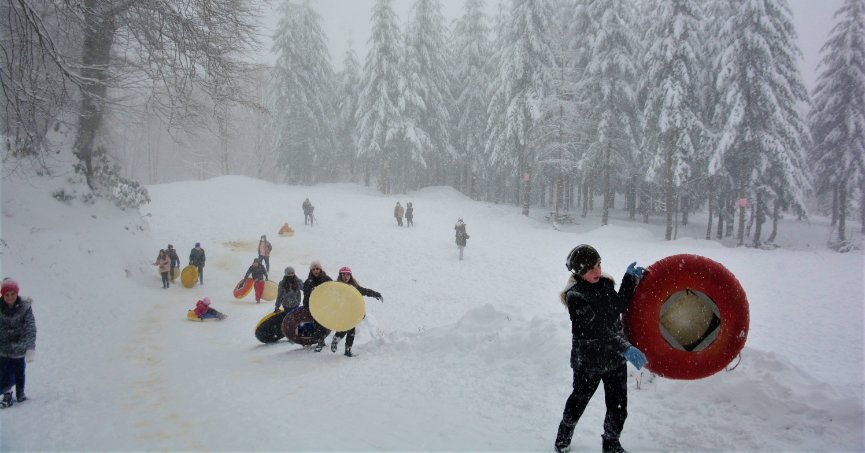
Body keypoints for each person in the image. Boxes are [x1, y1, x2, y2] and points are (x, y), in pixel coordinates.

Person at [554, 245, 648, 453]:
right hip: (588, 361)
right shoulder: (575, 297)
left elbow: (617, 307)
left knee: (618, 406)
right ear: (579, 272)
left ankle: (611, 443)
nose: (597, 271)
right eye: (591, 269)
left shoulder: (605, 283)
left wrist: (629, 279)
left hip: (614, 358)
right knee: (579, 401)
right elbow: (596, 330)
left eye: (598, 265)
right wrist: (625, 348)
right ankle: (563, 436)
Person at [330, 267, 382, 357]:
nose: (346, 276)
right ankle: (338, 342)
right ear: (340, 275)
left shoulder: (354, 287)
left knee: (351, 331)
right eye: (344, 274)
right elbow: (328, 296)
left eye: (348, 274)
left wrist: (376, 294)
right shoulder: (336, 287)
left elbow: (365, 291)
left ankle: (345, 348)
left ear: (350, 276)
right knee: (345, 329)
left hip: (351, 313)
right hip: (341, 313)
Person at [0, 279, 36, 408]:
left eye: (12, 294)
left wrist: (30, 348)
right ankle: (7, 394)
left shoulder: (24, 308)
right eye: (6, 295)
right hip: (3, 348)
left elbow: (30, 327)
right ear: (2, 295)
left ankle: (20, 394)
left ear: (17, 293)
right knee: (4, 372)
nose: (10, 297)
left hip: (19, 347)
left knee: (19, 372)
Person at [302, 260, 332, 351]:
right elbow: (306, 296)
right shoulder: (308, 282)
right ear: (311, 270)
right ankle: (318, 341)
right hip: (314, 307)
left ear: (320, 269)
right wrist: (306, 307)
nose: (316, 271)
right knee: (316, 324)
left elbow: (333, 291)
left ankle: (321, 341)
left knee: (324, 324)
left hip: (325, 306)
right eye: (314, 269)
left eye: (318, 268)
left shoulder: (326, 279)